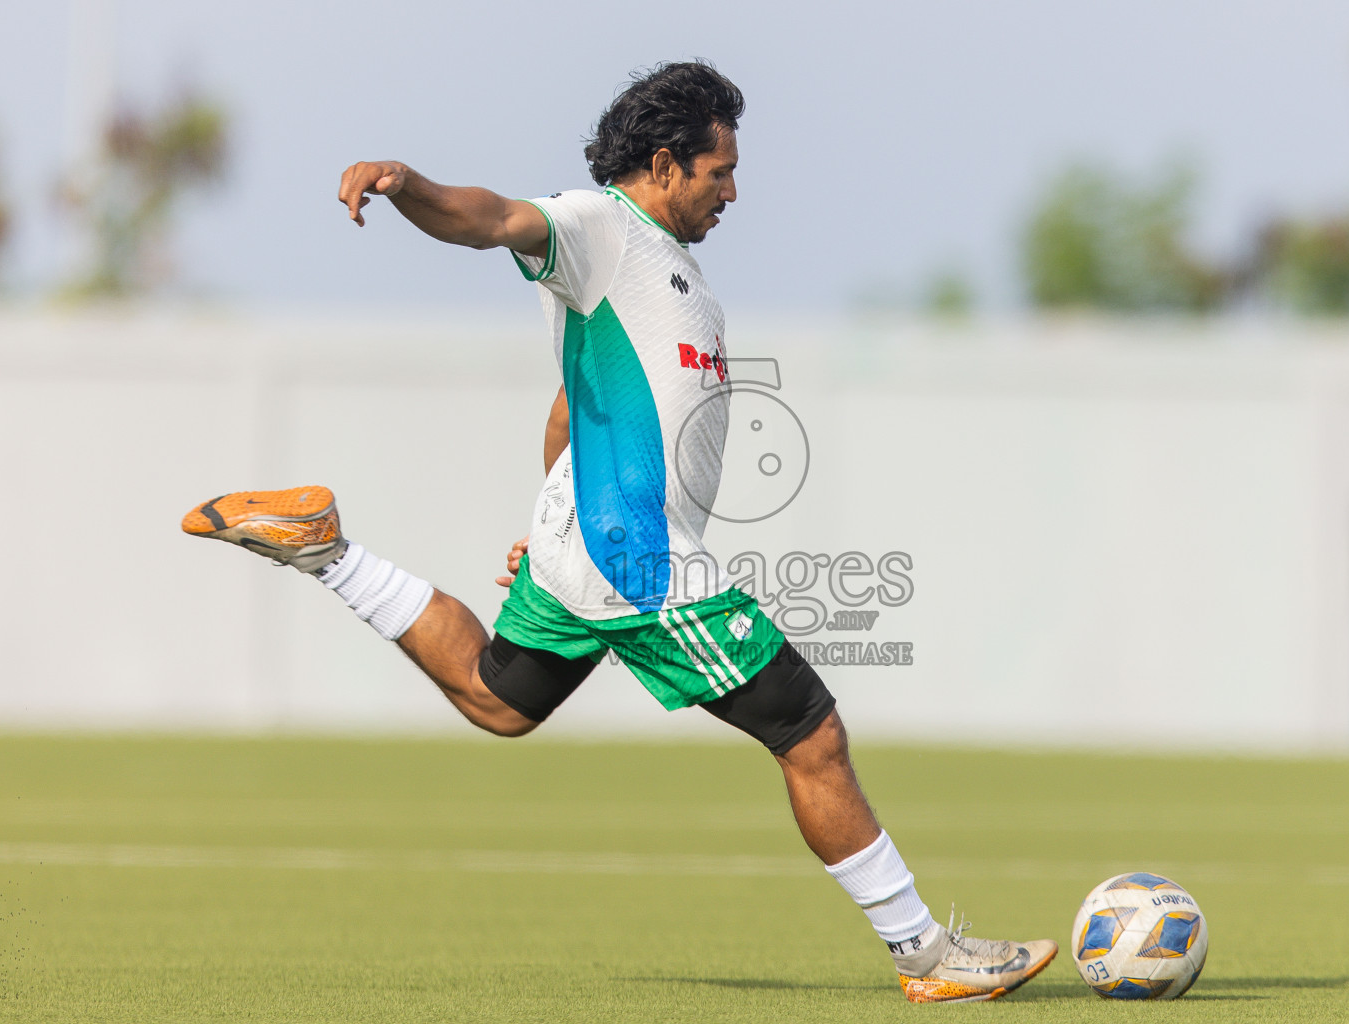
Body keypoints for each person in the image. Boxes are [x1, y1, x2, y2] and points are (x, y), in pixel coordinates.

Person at [180, 61, 1054, 1002]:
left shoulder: (671, 277)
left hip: (591, 545)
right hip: (639, 563)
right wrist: (411, 187)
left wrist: (558, 523)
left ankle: (326, 550)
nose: (733, 191)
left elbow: (570, 405)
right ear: (668, 163)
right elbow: (495, 219)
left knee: (497, 699)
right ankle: (925, 955)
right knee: (811, 733)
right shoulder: (605, 229)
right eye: (720, 171)